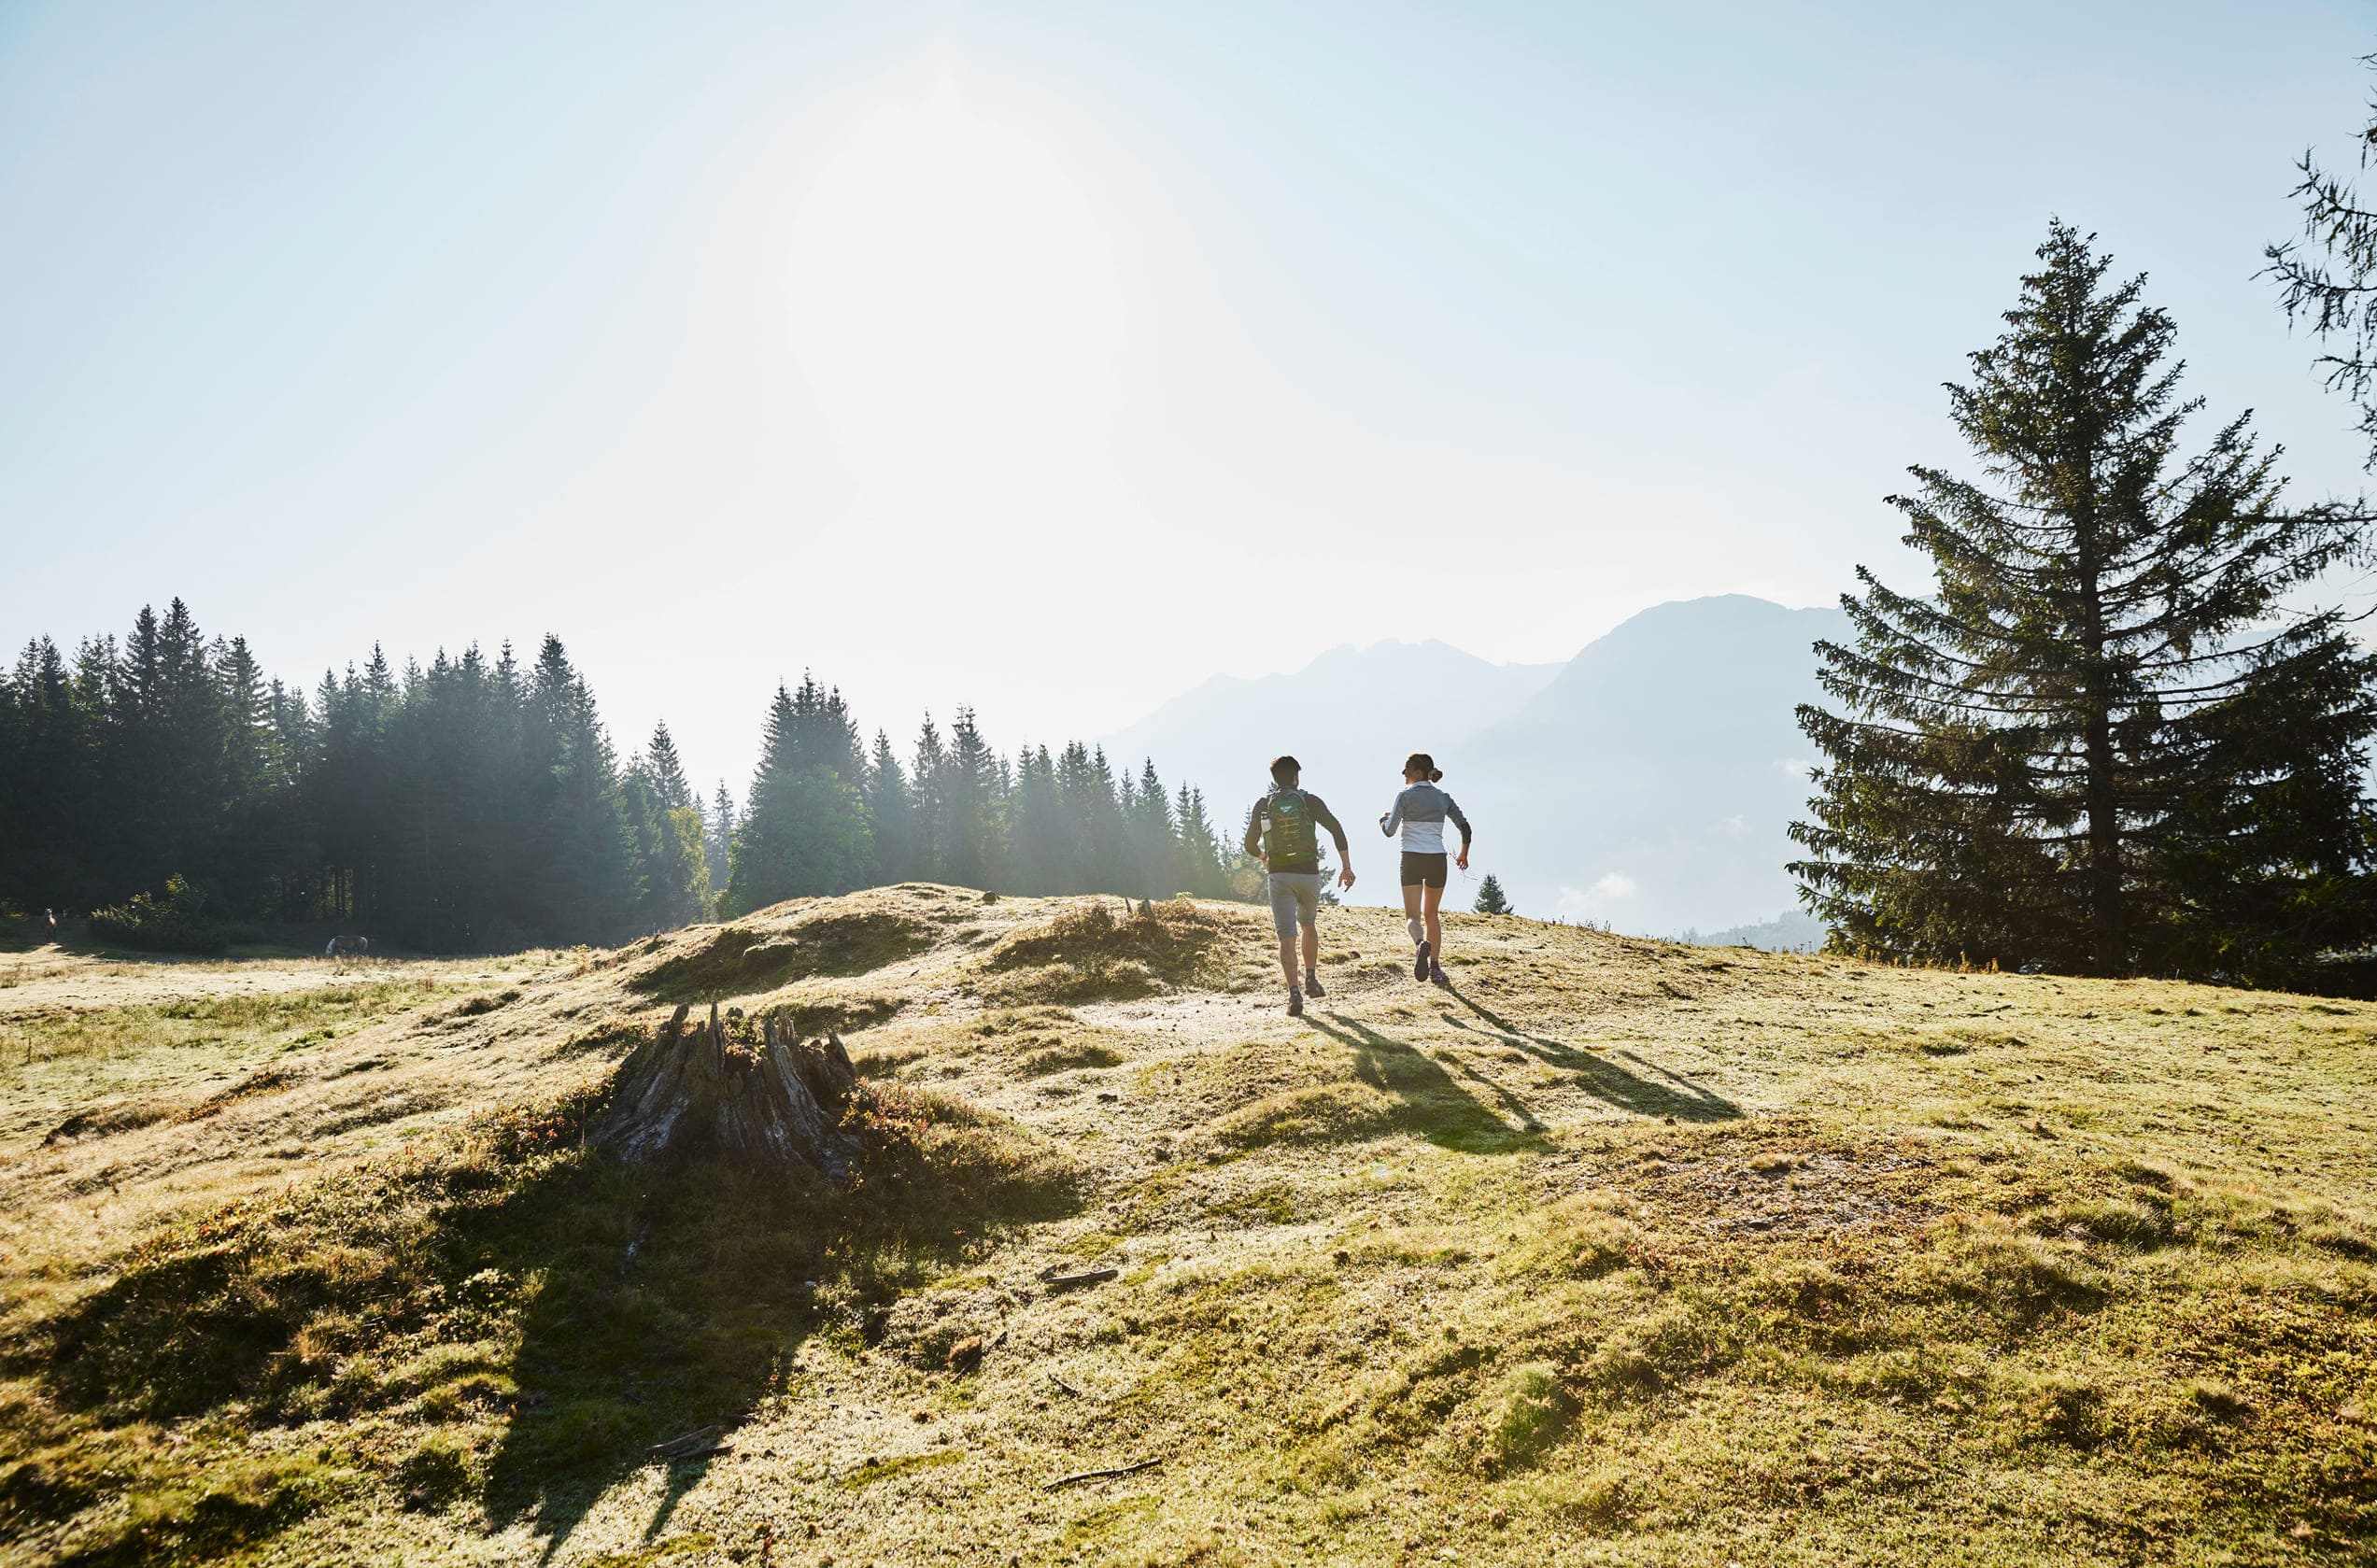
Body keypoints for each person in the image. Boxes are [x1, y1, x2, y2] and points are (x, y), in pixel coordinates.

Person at [1242, 755, 1354, 1017]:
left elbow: (1249, 844)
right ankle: (1311, 978)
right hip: (1308, 874)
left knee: (1286, 936)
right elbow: (1336, 828)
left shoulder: (1264, 805)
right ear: (1296, 777)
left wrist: (1264, 857)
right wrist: (1346, 866)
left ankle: (1294, 994)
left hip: (1279, 875)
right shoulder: (1309, 801)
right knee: (1308, 924)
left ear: (1275, 779)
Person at [1380, 752, 1471, 988]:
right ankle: (1435, 967)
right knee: (1432, 914)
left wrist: (1383, 820)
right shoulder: (1443, 797)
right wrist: (1463, 854)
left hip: (1412, 857)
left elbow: (1389, 831)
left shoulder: (1404, 796)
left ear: (1418, 772)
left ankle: (1421, 944)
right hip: (1436, 859)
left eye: (1407, 769)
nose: (1404, 773)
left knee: (1412, 916)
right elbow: (1465, 828)